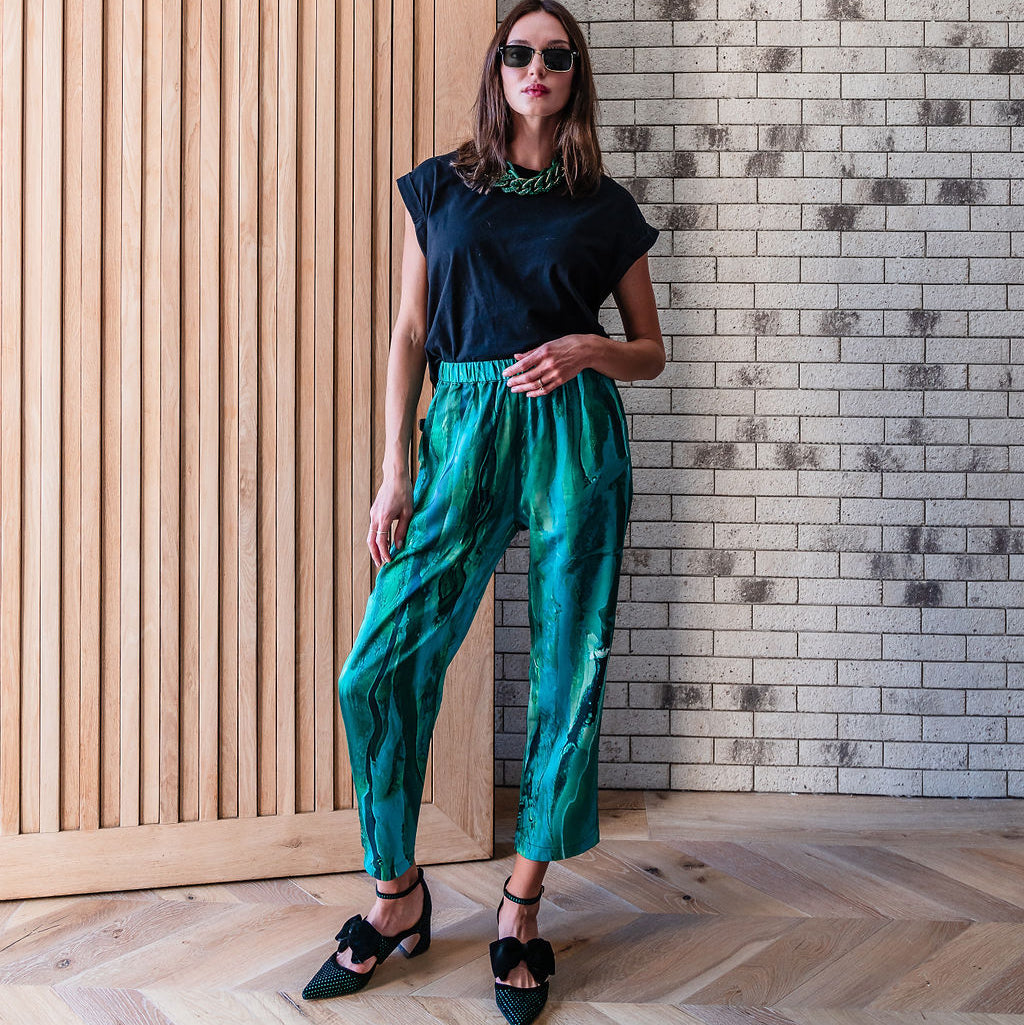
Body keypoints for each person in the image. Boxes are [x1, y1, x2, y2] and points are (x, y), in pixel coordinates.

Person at [301, 2, 664, 1021]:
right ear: (496, 67)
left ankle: (519, 908)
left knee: (569, 665)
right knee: (376, 666)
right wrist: (394, 466)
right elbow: (409, 329)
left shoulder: (604, 206)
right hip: (459, 428)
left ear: (573, 74)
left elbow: (649, 347)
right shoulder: (444, 184)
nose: (536, 67)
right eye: (519, 51)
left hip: (571, 436)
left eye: (555, 55)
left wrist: (588, 348)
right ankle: (396, 895)